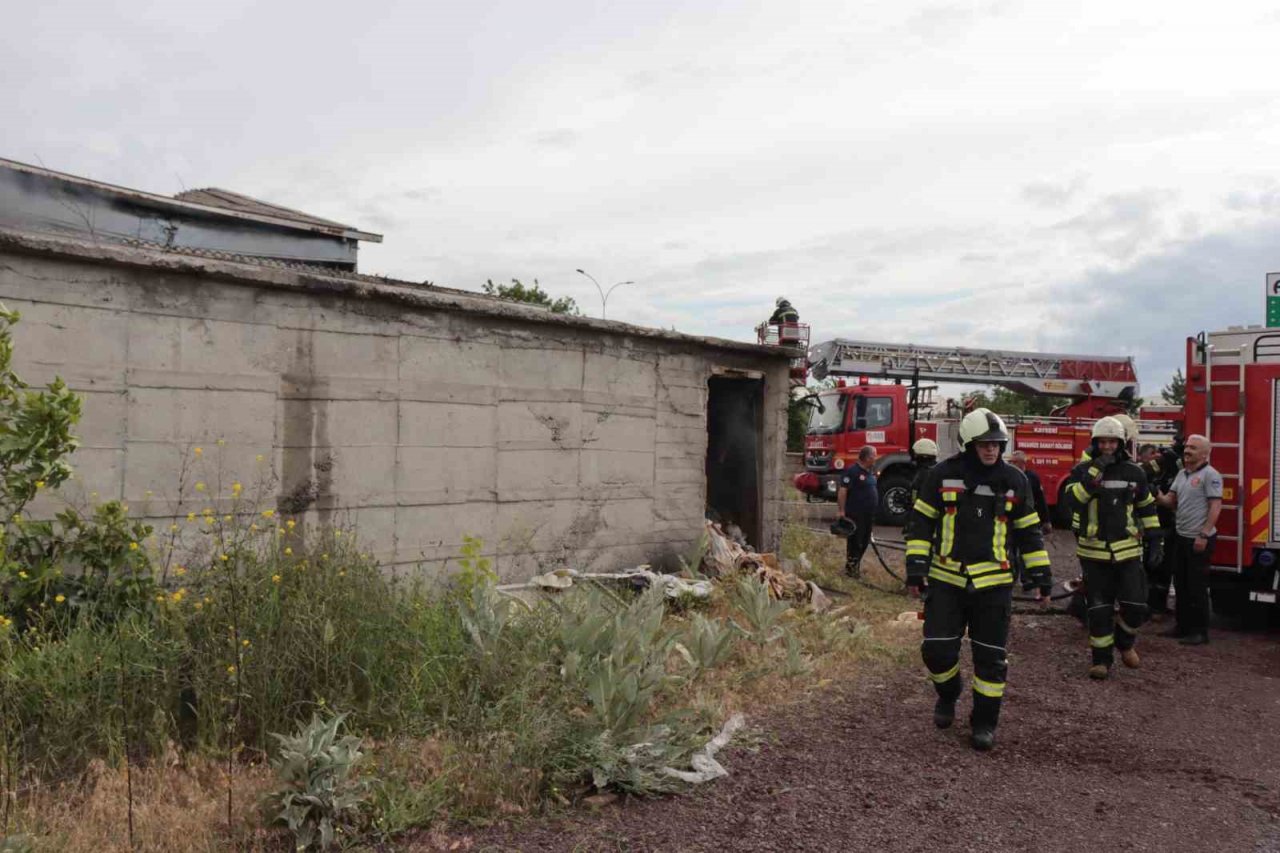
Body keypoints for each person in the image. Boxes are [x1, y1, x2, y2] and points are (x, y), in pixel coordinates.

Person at [904, 409, 1051, 751]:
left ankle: (984, 722)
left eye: (997, 445)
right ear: (969, 445)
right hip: (946, 581)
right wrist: (916, 569)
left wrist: (1041, 577)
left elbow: (1029, 533)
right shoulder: (941, 475)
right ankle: (949, 692)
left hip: (994, 587)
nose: (991, 451)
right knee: (937, 652)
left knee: (991, 660)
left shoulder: (1015, 480)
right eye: (984, 444)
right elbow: (921, 525)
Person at [1065, 417, 1161, 679]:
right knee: (1098, 609)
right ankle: (1101, 661)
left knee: (1136, 605)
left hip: (1128, 550)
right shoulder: (1082, 471)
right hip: (1093, 551)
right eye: (1103, 442)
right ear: (1095, 444)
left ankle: (1125, 642)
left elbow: (1146, 506)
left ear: (1121, 443)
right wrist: (1095, 471)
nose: (1107, 446)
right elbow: (1073, 502)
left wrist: (1154, 540)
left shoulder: (1134, 472)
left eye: (1112, 441)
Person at [1155, 435, 1222, 645]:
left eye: (1192, 448)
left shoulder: (1210, 475)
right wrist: (1154, 494)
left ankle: (1200, 632)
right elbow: (1169, 501)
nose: (1187, 451)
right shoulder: (1181, 474)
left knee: (1196, 586)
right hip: (1181, 536)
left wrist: (1203, 534)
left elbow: (1215, 506)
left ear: (1204, 453)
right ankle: (1181, 627)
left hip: (1199, 539)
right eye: (1186, 447)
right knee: (1181, 584)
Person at [1008, 450, 1052, 591]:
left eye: (1013, 462)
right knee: (1011, 551)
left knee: (1026, 552)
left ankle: (1027, 580)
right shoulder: (1008, 477)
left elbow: (1040, 499)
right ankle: (1012, 578)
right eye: (1010, 461)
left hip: (1029, 520)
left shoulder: (1032, 477)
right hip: (1011, 520)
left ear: (1022, 463)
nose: (1010, 464)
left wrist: (1046, 521)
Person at [837, 445, 878, 578]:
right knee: (855, 542)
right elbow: (843, 491)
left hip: (868, 515)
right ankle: (851, 570)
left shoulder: (869, 472)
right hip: (856, 514)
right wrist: (842, 511)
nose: (875, 459)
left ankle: (856, 567)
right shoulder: (852, 472)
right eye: (874, 456)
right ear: (867, 457)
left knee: (865, 541)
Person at [902, 438, 939, 530]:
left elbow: (916, 497)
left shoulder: (923, 474)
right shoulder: (938, 470)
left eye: (915, 454)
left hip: (922, 520)